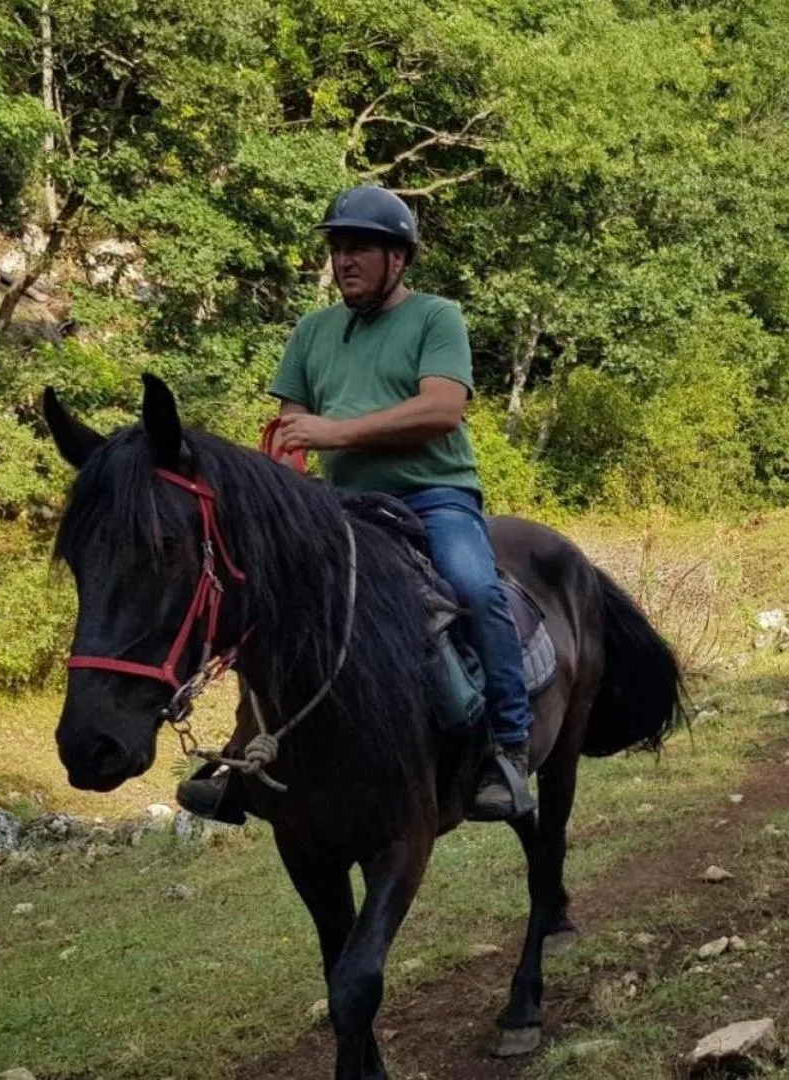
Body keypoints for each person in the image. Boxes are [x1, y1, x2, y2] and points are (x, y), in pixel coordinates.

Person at [177, 185, 538, 824]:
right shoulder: (312, 332)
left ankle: (506, 747)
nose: (344, 260)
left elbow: (442, 408)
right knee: (265, 596)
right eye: (339, 248)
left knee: (474, 587)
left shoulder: (436, 317)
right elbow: (292, 425)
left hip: (433, 495)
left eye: (360, 249)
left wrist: (335, 432)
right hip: (341, 505)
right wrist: (285, 469)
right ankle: (246, 748)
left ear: (398, 258)